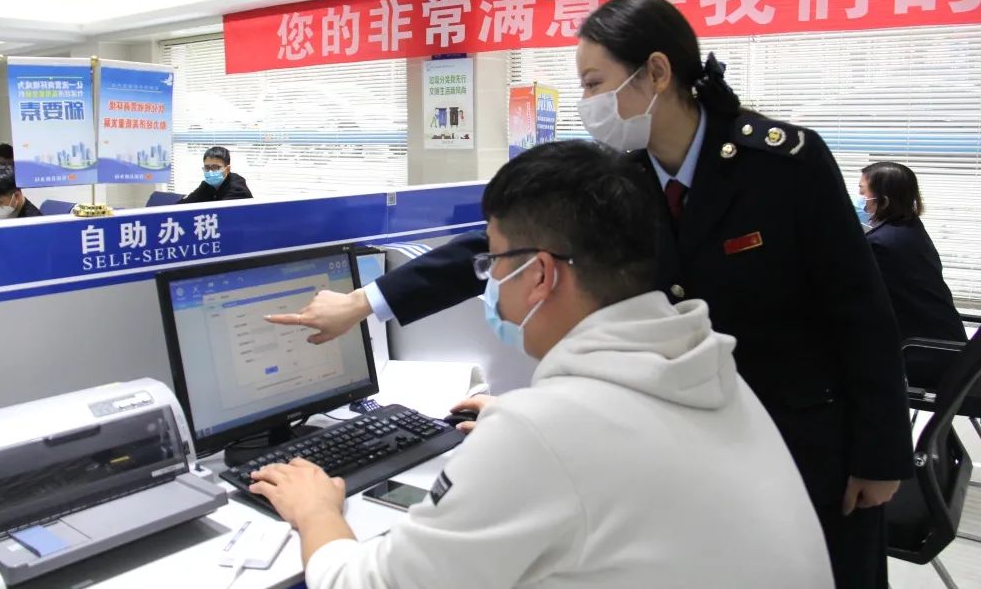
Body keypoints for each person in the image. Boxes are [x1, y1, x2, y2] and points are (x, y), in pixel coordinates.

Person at [267, 0, 914, 589]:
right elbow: (506, 245)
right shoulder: (626, 176)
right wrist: (367, 302)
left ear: (655, 73)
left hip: (801, 430)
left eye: (594, 83)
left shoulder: (780, 164)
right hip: (675, 440)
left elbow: (861, 309)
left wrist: (881, 453)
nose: (586, 103)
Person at [250, 141, 833, 589]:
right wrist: (522, 425)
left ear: (540, 275)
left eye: (493, 262)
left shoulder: (544, 432)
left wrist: (317, 511)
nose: (489, 281)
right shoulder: (706, 366)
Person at [858, 162, 965, 343]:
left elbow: (857, 291)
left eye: (863, 191)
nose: (860, 197)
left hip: (922, 348)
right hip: (945, 339)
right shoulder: (909, 228)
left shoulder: (882, 243)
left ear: (884, 201)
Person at [178, 146, 252, 203]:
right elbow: (183, 205)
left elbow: (221, 213)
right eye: (207, 167)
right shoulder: (207, 184)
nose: (210, 172)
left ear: (228, 169)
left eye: (216, 167)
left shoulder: (237, 189)